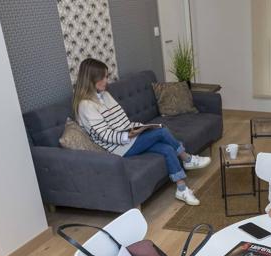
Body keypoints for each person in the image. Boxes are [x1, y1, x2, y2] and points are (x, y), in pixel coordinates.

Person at [73, 58, 210, 206]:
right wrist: (127, 135)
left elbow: (122, 121)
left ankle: (182, 189)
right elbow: (104, 134)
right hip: (119, 148)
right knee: (162, 131)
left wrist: (138, 128)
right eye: (104, 77)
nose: (107, 80)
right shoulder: (86, 105)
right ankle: (188, 159)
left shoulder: (105, 95)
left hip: (129, 139)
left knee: (167, 148)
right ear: (92, 79)